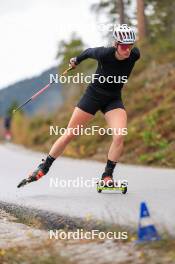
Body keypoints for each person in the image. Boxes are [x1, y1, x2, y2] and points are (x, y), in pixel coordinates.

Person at [17, 24, 140, 188]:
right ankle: (43, 167)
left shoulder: (134, 55)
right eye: (124, 46)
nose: (127, 50)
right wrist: (76, 60)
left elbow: (129, 53)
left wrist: (130, 50)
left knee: (119, 135)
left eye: (130, 46)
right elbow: (88, 52)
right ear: (116, 44)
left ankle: (107, 176)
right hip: (93, 96)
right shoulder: (105, 53)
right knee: (70, 134)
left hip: (113, 99)